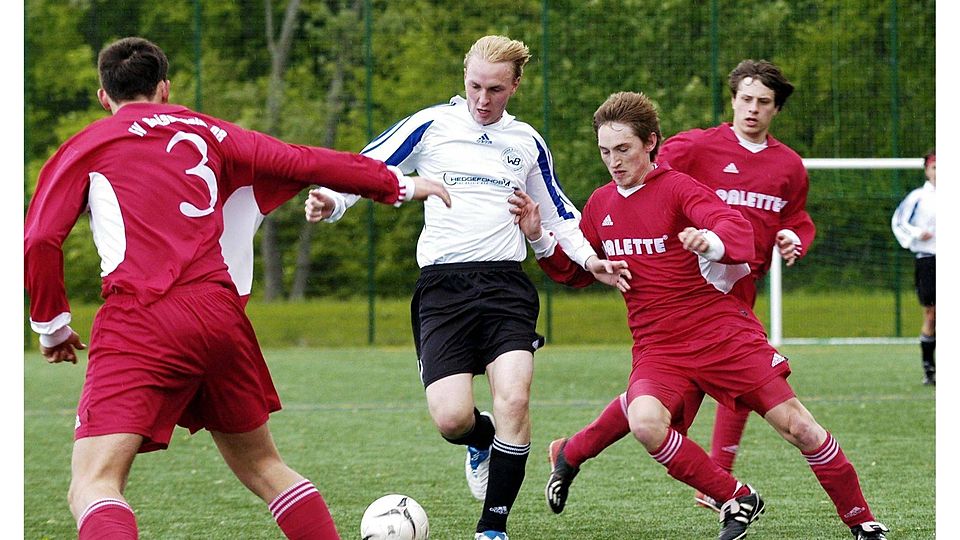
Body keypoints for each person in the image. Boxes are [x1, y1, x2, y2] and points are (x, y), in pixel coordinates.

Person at [23, 37, 450, 540]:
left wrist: (52, 327)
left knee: (93, 483)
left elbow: (40, 239)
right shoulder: (210, 132)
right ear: (164, 88)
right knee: (267, 469)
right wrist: (397, 184)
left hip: (144, 315)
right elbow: (303, 160)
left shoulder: (90, 143)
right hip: (219, 315)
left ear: (103, 97)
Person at [509, 91, 887, 540]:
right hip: (659, 348)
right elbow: (573, 272)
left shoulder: (678, 188)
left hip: (722, 333)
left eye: (624, 149)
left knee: (799, 427)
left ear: (651, 142)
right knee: (646, 423)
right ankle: (737, 496)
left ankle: (862, 521)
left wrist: (711, 243)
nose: (614, 161)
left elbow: (732, 224)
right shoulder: (600, 204)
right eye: (605, 151)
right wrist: (538, 237)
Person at [305, 35, 623, 540]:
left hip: (504, 286)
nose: (482, 99)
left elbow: (560, 213)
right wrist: (331, 200)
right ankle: (482, 440)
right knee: (452, 419)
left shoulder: (526, 142)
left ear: (514, 86)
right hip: (443, 288)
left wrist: (589, 258)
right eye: (474, 85)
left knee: (514, 399)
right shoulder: (432, 125)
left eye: (495, 89)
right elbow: (369, 166)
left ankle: (491, 527)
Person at [543, 59, 817, 514]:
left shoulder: (788, 164)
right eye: (744, 99)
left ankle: (576, 453)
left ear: (776, 109)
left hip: (739, 284)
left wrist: (794, 238)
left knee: (701, 394)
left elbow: (795, 218)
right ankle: (716, 481)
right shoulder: (695, 145)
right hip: (688, 282)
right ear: (732, 99)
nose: (751, 109)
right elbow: (652, 183)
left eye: (763, 102)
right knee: (663, 402)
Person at [891, 148, 936, 385]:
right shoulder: (918, 197)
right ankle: (929, 369)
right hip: (928, 260)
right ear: (927, 170)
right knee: (932, 314)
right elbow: (899, 221)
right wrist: (918, 233)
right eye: (935, 167)